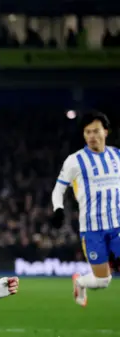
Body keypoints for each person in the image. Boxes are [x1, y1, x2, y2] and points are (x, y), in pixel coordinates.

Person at [51, 111, 116, 307]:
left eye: (96, 131)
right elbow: (58, 189)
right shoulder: (74, 161)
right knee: (103, 281)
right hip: (92, 230)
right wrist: (58, 209)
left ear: (106, 132)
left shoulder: (117, 156)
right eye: (87, 132)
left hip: (117, 226)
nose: (92, 136)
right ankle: (80, 281)